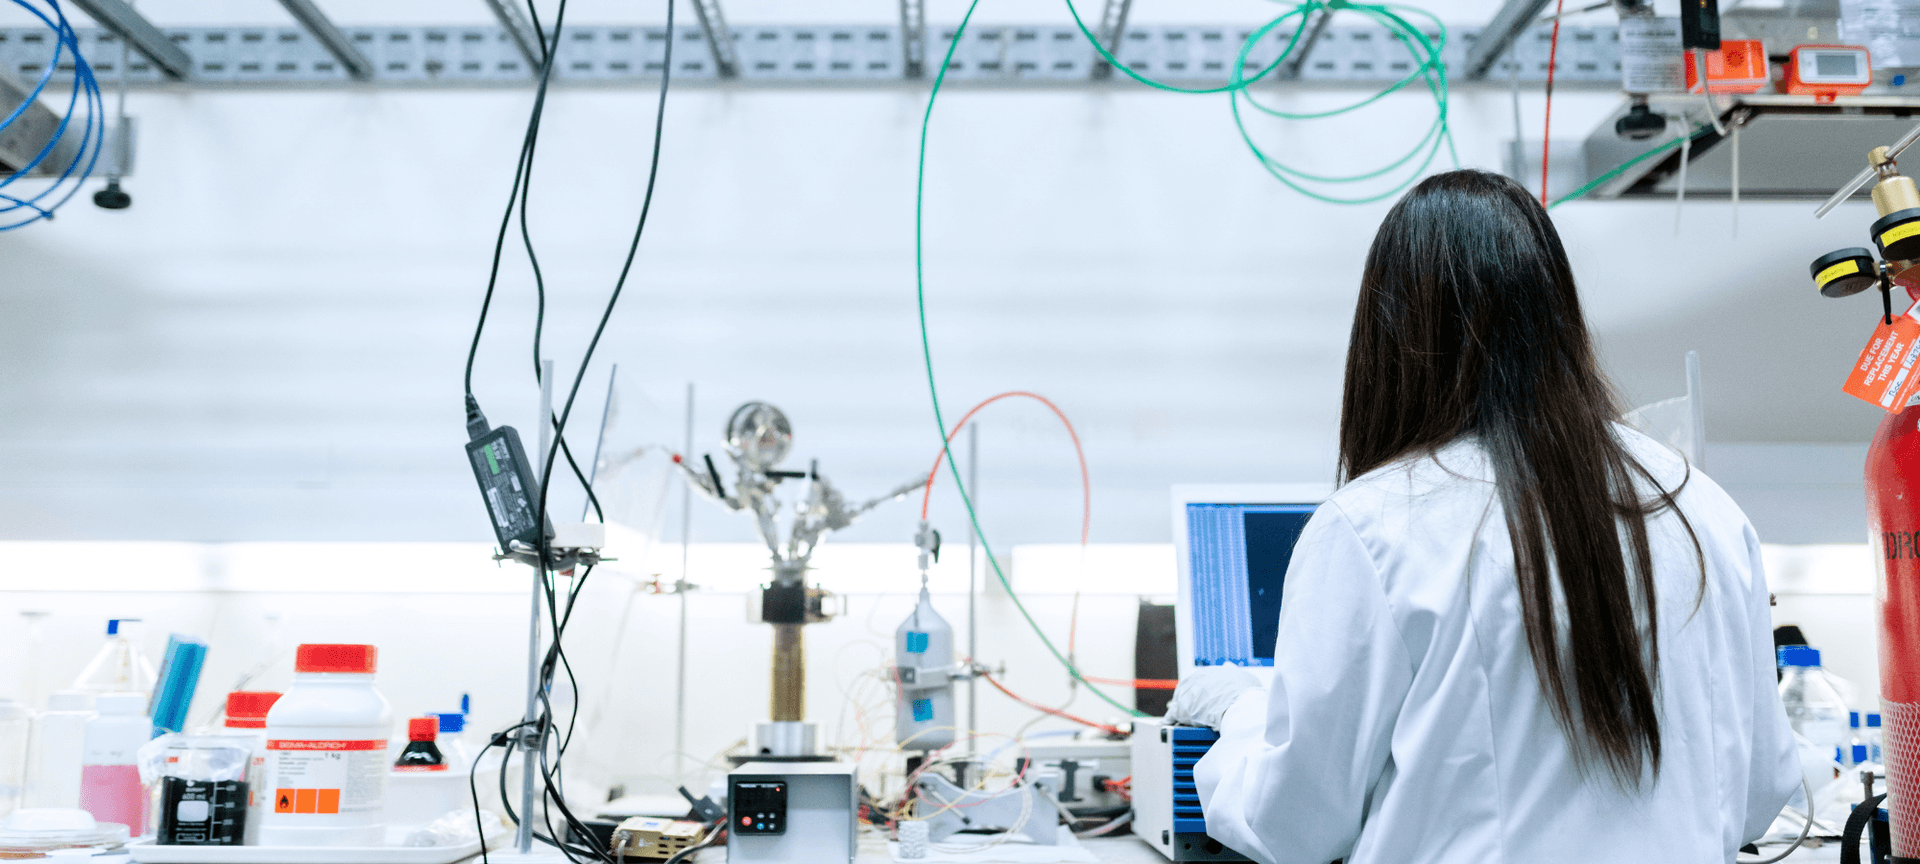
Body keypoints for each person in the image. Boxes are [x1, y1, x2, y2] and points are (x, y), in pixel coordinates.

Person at [1168, 170, 1800, 863]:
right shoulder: (1697, 506)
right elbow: (1758, 796)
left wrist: (1237, 713)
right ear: (1558, 312)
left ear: (1391, 335)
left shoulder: (1374, 526)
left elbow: (1293, 824)